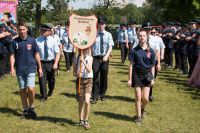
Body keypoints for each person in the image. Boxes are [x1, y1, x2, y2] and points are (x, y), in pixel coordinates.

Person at [9, 22, 43, 119]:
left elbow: (36, 54)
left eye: (24, 29)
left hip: (31, 68)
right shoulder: (14, 41)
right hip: (20, 69)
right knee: (23, 89)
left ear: (27, 29)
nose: (22, 31)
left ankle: (31, 107)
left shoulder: (32, 41)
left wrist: (39, 67)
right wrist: (12, 68)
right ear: (17, 30)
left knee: (31, 88)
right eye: (20, 30)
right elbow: (12, 56)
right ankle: (25, 109)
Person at [128, 29, 156, 125]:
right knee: (138, 97)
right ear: (138, 37)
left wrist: (152, 78)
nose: (142, 37)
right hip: (137, 75)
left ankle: (143, 108)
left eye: (143, 35)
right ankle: (138, 117)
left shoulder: (150, 50)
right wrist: (130, 79)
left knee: (146, 98)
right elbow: (131, 65)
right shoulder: (134, 50)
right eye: (140, 35)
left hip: (147, 75)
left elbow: (152, 65)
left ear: (146, 36)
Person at [91, 16, 114, 104]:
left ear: (105, 25)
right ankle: (95, 96)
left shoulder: (108, 34)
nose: (101, 25)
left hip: (104, 58)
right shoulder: (94, 34)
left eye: (102, 24)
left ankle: (102, 94)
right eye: (100, 24)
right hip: (95, 58)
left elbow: (110, 46)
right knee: (95, 76)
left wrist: (107, 56)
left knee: (104, 76)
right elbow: (90, 45)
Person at [36, 24, 60, 101]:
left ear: (49, 31)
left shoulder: (53, 40)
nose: (43, 32)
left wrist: (56, 63)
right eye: (42, 30)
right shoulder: (37, 40)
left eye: (45, 30)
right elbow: (35, 53)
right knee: (41, 79)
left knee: (51, 80)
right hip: (41, 62)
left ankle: (51, 89)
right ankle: (43, 96)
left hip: (51, 62)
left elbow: (58, 53)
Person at [73, 48, 93, 130]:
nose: (85, 51)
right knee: (81, 101)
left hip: (88, 80)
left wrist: (83, 62)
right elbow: (74, 72)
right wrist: (77, 74)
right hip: (80, 80)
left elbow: (89, 69)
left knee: (87, 101)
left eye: (86, 50)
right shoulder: (76, 58)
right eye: (83, 50)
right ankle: (81, 120)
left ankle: (86, 120)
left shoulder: (90, 58)